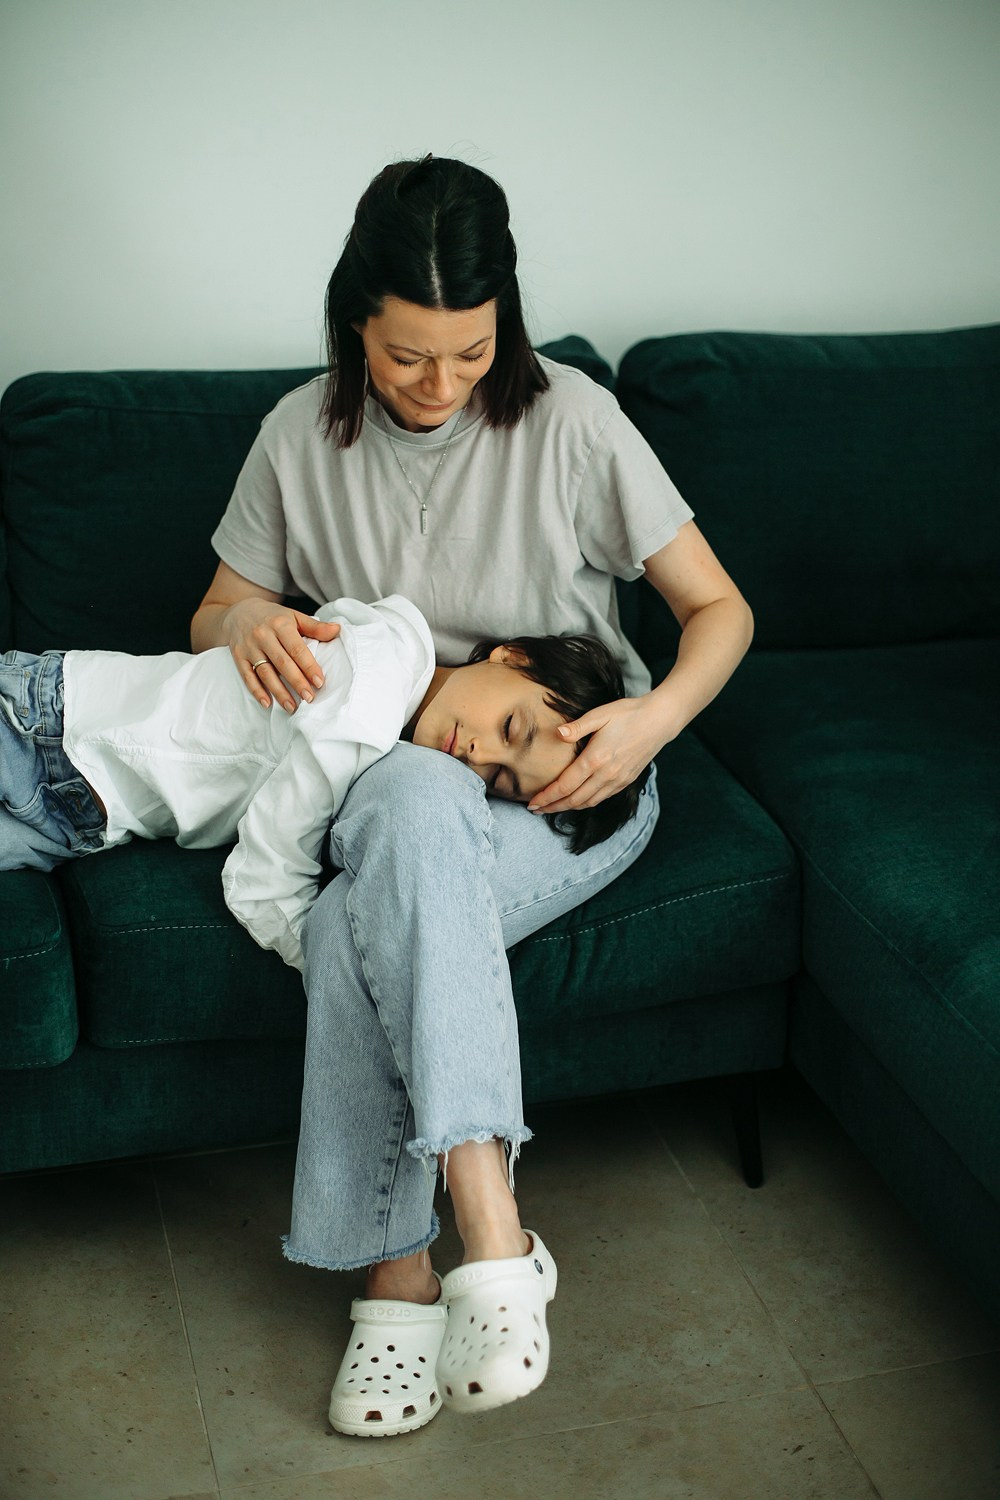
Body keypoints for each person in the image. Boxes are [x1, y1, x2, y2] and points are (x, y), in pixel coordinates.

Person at [190, 155, 754, 1437]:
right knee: (407, 808)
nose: (439, 386)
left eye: (470, 351)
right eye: (405, 358)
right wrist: (247, 631)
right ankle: (490, 1233)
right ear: (354, 327)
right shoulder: (296, 435)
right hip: (394, 776)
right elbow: (215, 609)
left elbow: (719, 610)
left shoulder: (573, 418)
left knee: (350, 920)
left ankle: (399, 1287)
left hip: (564, 770)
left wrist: (652, 718)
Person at [0, 602, 644, 973]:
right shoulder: (384, 670)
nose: (480, 755)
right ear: (510, 656)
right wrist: (316, 954)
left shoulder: (392, 748)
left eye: (500, 779)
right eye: (511, 727)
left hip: (82, 819)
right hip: (49, 725)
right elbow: (266, 870)